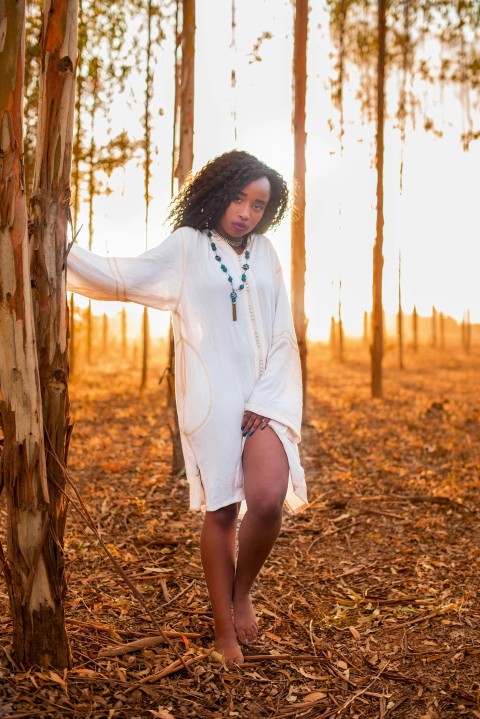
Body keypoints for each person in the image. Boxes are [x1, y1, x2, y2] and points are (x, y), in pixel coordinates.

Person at [67, 149, 308, 665]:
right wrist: (61, 246)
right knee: (222, 509)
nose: (246, 212)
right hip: (212, 397)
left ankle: (243, 591)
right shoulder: (187, 247)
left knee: (267, 499)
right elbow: (122, 277)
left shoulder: (266, 254)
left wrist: (269, 398)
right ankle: (224, 623)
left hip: (264, 397)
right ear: (218, 194)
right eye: (238, 198)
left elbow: (284, 332)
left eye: (259, 204)